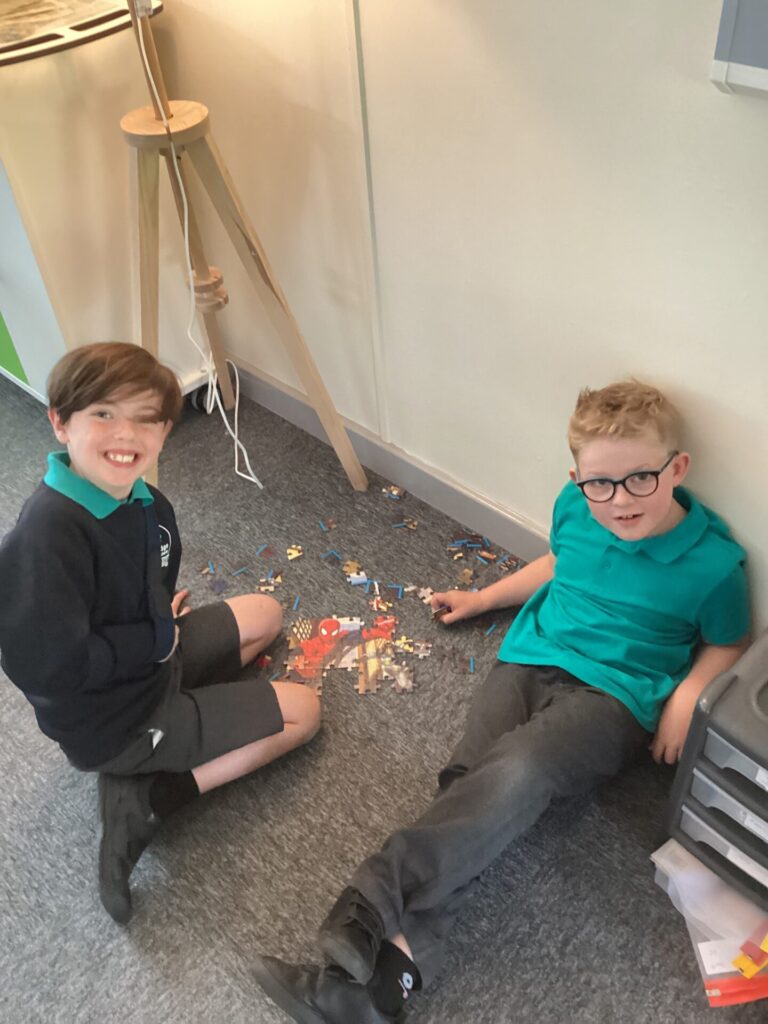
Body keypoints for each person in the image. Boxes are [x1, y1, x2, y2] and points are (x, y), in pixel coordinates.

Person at [252, 379, 750, 1023]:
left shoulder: (714, 565)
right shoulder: (576, 509)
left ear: (676, 469)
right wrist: (485, 598)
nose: (620, 500)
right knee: (470, 785)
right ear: (576, 480)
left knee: (518, 771)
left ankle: (369, 901)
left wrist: (687, 694)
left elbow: (730, 641)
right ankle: (379, 992)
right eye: (600, 484)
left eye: (640, 479)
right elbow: (559, 564)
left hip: (615, 696)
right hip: (531, 657)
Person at [0, 342, 320, 925]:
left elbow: (137, 580)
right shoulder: (45, 537)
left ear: (166, 431)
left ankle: (169, 733)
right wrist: (152, 640)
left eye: (145, 418)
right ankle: (150, 796)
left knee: (267, 613)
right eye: (104, 413)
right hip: (114, 720)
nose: (126, 435)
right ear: (60, 422)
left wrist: (154, 614)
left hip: (151, 657)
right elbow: (45, 667)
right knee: (305, 713)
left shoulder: (140, 498)